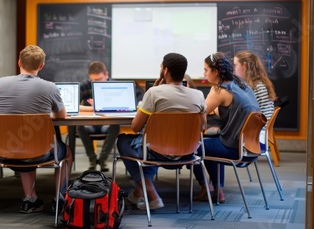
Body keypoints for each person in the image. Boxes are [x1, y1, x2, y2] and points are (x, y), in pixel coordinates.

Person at [117, 53, 206, 211]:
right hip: (188, 152)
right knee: (151, 144)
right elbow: (203, 127)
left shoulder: (154, 93)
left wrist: (148, 95)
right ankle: (139, 192)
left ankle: (150, 192)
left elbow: (136, 127)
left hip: (158, 152)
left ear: (165, 71)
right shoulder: (198, 95)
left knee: (123, 141)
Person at [0, 45, 73, 214]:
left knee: (26, 145)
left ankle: (30, 199)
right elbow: (61, 117)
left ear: (19, 62)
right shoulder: (49, 87)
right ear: (41, 66)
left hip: (2, 150)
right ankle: (60, 199)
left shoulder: (0, 83)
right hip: (36, 152)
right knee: (67, 153)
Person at [193, 52, 260, 203]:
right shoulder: (240, 85)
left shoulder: (219, 91)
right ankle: (218, 190)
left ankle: (207, 187)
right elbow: (228, 107)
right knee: (210, 142)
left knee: (191, 146)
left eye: (205, 70)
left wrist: (211, 93)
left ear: (215, 72)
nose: (203, 73)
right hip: (250, 145)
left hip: (234, 147)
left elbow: (200, 113)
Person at [78, 61, 120, 172]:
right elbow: (74, 107)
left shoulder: (114, 86)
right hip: (89, 124)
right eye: (93, 80)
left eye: (99, 79)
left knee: (115, 126)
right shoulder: (84, 86)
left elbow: (119, 106)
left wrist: (101, 107)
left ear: (106, 75)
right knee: (79, 126)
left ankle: (103, 159)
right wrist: (93, 108)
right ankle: (92, 158)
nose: (95, 83)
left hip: (106, 124)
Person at [234, 50, 276, 151]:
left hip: (253, 140)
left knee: (206, 146)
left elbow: (242, 115)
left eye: (235, 65)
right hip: (256, 137)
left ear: (245, 66)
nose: (233, 69)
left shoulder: (256, 88)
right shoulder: (257, 84)